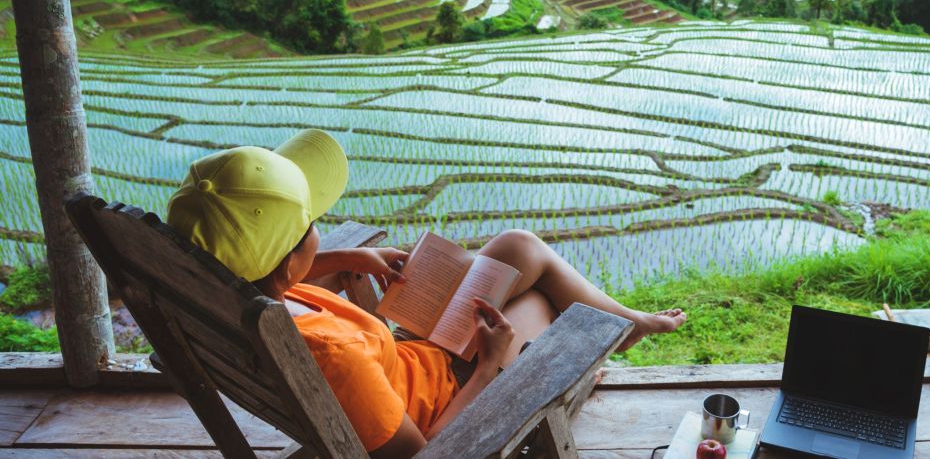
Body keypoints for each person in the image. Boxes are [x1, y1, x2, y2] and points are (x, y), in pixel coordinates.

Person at [166, 129, 686, 458]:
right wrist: (487, 365)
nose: (318, 228)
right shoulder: (333, 357)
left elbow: (276, 274)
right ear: (288, 259)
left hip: (410, 362)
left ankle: (629, 324)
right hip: (448, 398)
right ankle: (607, 348)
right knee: (543, 305)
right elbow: (424, 455)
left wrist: (348, 257)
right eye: (312, 224)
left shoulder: (234, 297)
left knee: (517, 248)